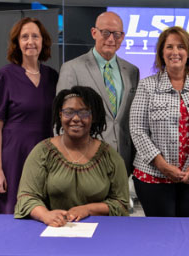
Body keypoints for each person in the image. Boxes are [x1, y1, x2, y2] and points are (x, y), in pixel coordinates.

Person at [129, 26, 189, 217]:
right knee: (160, 234)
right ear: (162, 53)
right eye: (169, 47)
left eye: (181, 47)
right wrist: (163, 166)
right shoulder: (147, 85)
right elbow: (137, 129)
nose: (175, 52)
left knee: (184, 230)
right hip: (153, 177)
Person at [14, 86, 130, 226]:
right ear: (60, 114)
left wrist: (87, 209)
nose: (76, 118)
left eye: (83, 112)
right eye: (68, 112)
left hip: (101, 230)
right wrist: (45, 215)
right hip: (53, 228)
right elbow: (27, 197)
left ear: (93, 116)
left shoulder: (109, 156)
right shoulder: (42, 152)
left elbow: (121, 204)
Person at [0, 17, 58, 214]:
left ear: (43, 41)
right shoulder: (4, 76)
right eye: (24, 37)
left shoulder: (52, 77)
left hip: (44, 155)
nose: (30, 42)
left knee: (42, 212)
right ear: (17, 43)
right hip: (13, 157)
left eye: (35, 36)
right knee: (11, 213)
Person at [56, 11, 139, 176]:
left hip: (123, 161)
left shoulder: (132, 71)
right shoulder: (72, 68)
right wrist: (66, 159)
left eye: (117, 34)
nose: (111, 39)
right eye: (105, 32)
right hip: (85, 160)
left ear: (122, 37)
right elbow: (60, 120)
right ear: (94, 33)